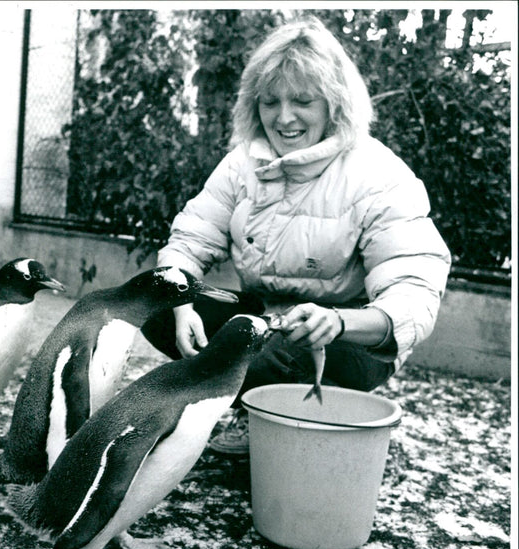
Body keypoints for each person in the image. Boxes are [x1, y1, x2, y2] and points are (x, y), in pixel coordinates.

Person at [140, 15, 451, 455]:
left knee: (274, 347)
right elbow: (191, 238)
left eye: (302, 100)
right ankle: (253, 409)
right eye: (270, 102)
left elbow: (414, 290)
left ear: (334, 103)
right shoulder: (242, 163)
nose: (283, 118)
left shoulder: (380, 175)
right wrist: (181, 302)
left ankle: (318, 419)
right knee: (156, 302)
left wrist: (342, 322)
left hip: (346, 335)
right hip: (269, 317)